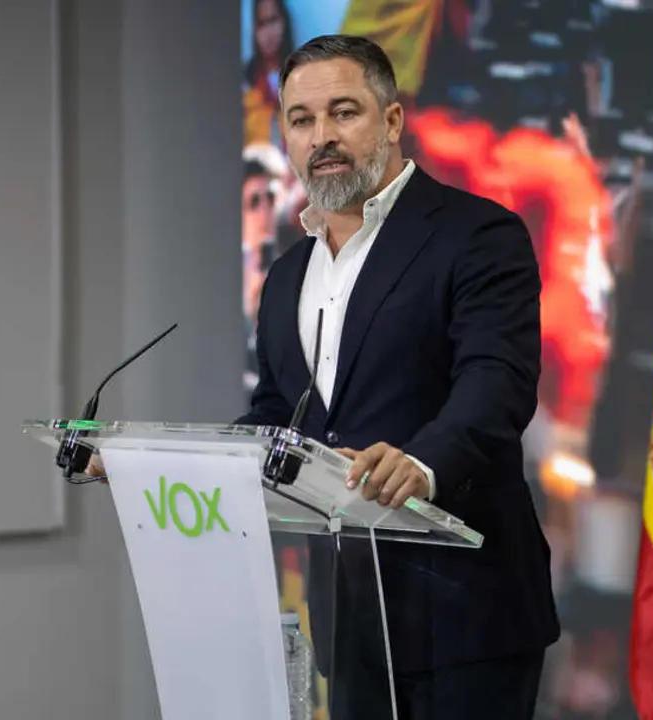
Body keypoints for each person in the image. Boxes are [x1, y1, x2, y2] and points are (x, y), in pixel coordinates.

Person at [235, 34, 557, 720]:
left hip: (467, 613)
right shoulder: (290, 271)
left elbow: (495, 382)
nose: (321, 136)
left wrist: (420, 461)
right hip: (350, 616)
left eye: (343, 112)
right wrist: (153, 463)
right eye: (301, 119)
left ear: (390, 120)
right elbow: (278, 414)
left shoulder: (477, 236)